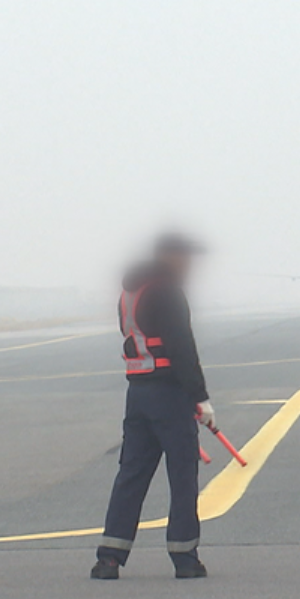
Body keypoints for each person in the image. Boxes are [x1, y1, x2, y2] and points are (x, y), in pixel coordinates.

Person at [90, 233, 215, 580]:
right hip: (170, 395)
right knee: (182, 476)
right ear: (170, 257)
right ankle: (185, 557)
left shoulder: (130, 292)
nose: (190, 264)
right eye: (186, 256)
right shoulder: (168, 290)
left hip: (138, 392)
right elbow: (181, 346)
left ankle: (109, 558)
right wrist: (200, 397)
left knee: (131, 475)